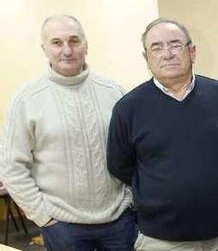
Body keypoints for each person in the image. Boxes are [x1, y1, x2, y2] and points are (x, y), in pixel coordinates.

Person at [0, 15, 134, 250]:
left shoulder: (115, 92)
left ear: (86, 44)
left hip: (119, 221)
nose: (67, 50)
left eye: (74, 41)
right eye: (57, 43)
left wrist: (130, 200)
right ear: (44, 49)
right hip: (62, 227)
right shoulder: (27, 100)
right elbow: (11, 167)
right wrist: (43, 217)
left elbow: (135, 153)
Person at [107, 18, 218, 251]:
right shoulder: (128, 108)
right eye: (157, 47)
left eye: (175, 45)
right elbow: (120, 166)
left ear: (192, 52)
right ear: (146, 58)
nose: (167, 53)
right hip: (162, 241)